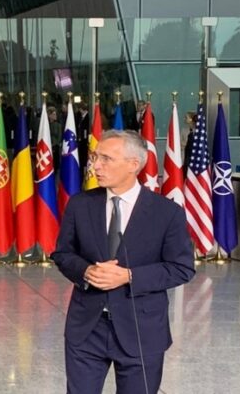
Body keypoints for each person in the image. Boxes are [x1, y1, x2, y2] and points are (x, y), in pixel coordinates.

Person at [51, 130, 195, 394]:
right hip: (87, 328)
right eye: (95, 157)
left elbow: (181, 268)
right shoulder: (80, 204)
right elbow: (62, 254)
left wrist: (129, 276)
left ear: (133, 164)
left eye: (106, 159)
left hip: (142, 330)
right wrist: (87, 271)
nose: (96, 166)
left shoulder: (167, 213)